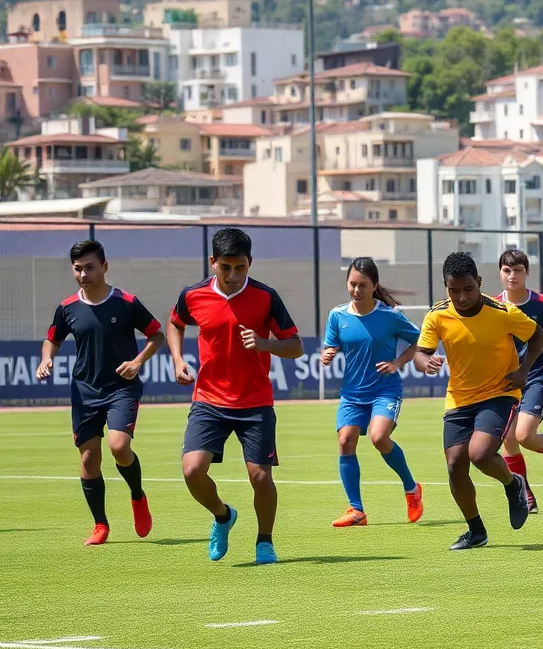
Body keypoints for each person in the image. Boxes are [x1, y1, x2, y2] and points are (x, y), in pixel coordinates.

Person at [167, 227, 303, 566]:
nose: (232, 275)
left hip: (255, 402)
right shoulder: (193, 295)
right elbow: (174, 323)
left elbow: (296, 346)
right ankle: (223, 515)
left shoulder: (266, 297)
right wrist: (178, 359)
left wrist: (264, 343)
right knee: (192, 471)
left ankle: (265, 542)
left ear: (250, 263)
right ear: (213, 262)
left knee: (260, 476)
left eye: (240, 268)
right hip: (209, 399)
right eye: (225, 267)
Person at [413, 252, 543, 550]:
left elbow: (538, 336)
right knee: (455, 466)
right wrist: (425, 362)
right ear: (446, 287)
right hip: (459, 399)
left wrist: (524, 370)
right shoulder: (437, 315)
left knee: (480, 454)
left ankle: (514, 485)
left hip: (500, 393)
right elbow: (421, 353)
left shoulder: (503, 311)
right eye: (454, 290)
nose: (461, 297)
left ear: (480, 283)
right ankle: (476, 531)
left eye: (468, 289)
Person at [36, 240, 164, 546]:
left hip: (122, 387)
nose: (83, 273)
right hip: (85, 391)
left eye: (89, 267)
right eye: (78, 268)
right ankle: (100, 524)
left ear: (104, 267)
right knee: (89, 459)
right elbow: (51, 339)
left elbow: (157, 335)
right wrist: (46, 358)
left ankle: (137, 496)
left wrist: (137, 362)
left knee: (119, 447)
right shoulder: (67, 308)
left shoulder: (127, 302)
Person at [321, 257, 423, 528]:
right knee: (345, 441)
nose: (356, 290)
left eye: (363, 285)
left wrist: (398, 363)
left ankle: (412, 489)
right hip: (353, 393)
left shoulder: (390, 316)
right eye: (352, 284)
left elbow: (419, 341)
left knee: (379, 437)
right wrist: (329, 353)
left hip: (384, 390)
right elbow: (330, 345)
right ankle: (357, 510)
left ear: (374, 285)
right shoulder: (337, 315)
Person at [496, 249, 543, 512]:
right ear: (500, 272)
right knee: (507, 438)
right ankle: (525, 493)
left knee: (523, 435)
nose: (512, 276)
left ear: (527, 272)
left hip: (536, 376)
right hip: (505, 380)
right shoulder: (492, 305)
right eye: (506, 270)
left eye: (518, 270)